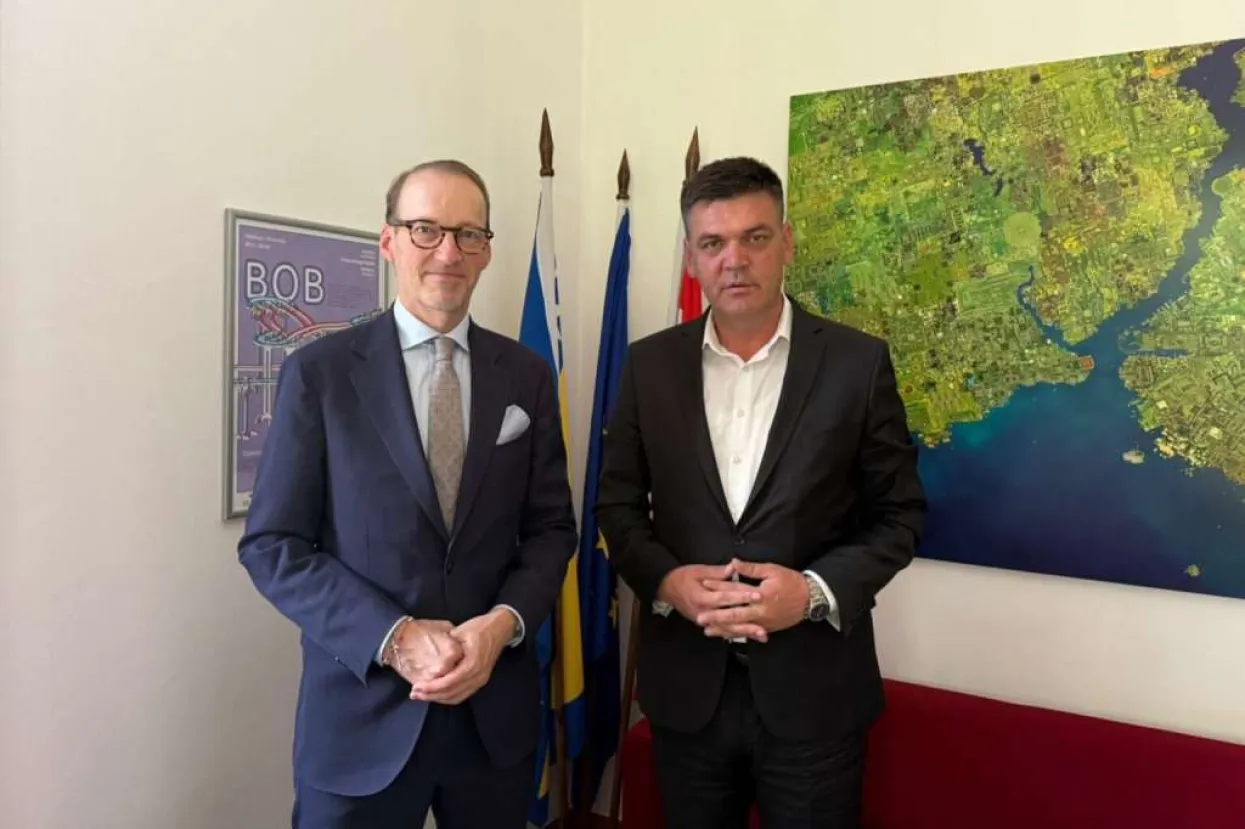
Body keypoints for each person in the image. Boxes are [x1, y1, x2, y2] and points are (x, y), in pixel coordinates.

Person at [238, 159, 577, 829]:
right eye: (425, 229)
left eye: (468, 234)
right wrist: (393, 637)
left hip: (492, 721)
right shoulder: (320, 375)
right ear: (388, 241)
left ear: (486, 251)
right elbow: (273, 546)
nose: (448, 252)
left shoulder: (527, 376)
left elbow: (551, 529)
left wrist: (503, 623)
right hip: (361, 721)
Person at [596, 156, 927, 828]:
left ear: (787, 242)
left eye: (754, 237)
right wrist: (667, 583)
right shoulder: (649, 365)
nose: (734, 260)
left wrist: (811, 592)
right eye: (713, 243)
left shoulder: (857, 364)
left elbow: (900, 516)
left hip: (815, 699)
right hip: (687, 693)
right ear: (691, 257)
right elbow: (617, 506)